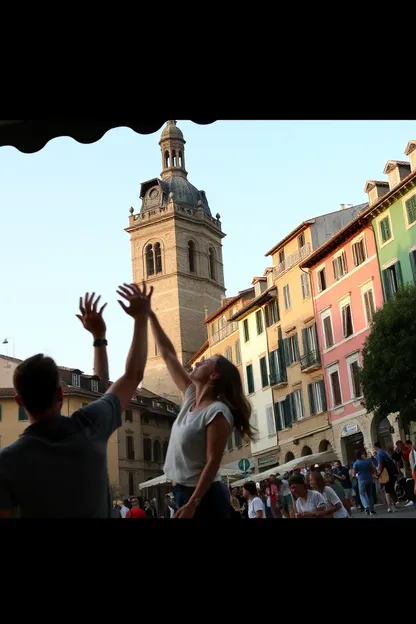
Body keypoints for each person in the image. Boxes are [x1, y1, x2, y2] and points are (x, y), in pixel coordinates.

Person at [0, 284, 152, 519]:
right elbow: (133, 376)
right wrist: (140, 318)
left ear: (19, 401)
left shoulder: (7, 462)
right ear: (60, 395)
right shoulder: (89, 426)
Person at [150, 305, 254, 519]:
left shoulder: (218, 411)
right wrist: (150, 315)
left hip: (203, 497)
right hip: (183, 492)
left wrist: (193, 503)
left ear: (215, 375)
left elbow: (213, 461)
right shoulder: (190, 398)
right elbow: (169, 355)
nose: (197, 362)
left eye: (205, 362)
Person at [374, 441, 398, 513]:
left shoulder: (379, 454)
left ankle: (390, 507)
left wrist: (377, 474)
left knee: (387, 490)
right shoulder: (384, 452)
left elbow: (380, 465)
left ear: (375, 447)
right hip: (392, 472)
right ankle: (394, 506)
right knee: (390, 489)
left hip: (386, 474)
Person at [352, 450, 376, 516]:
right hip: (369, 478)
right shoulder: (367, 461)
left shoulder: (356, 463)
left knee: (362, 494)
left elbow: (353, 474)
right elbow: (372, 469)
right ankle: (372, 509)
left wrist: (356, 476)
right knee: (370, 495)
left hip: (361, 479)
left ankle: (366, 507)